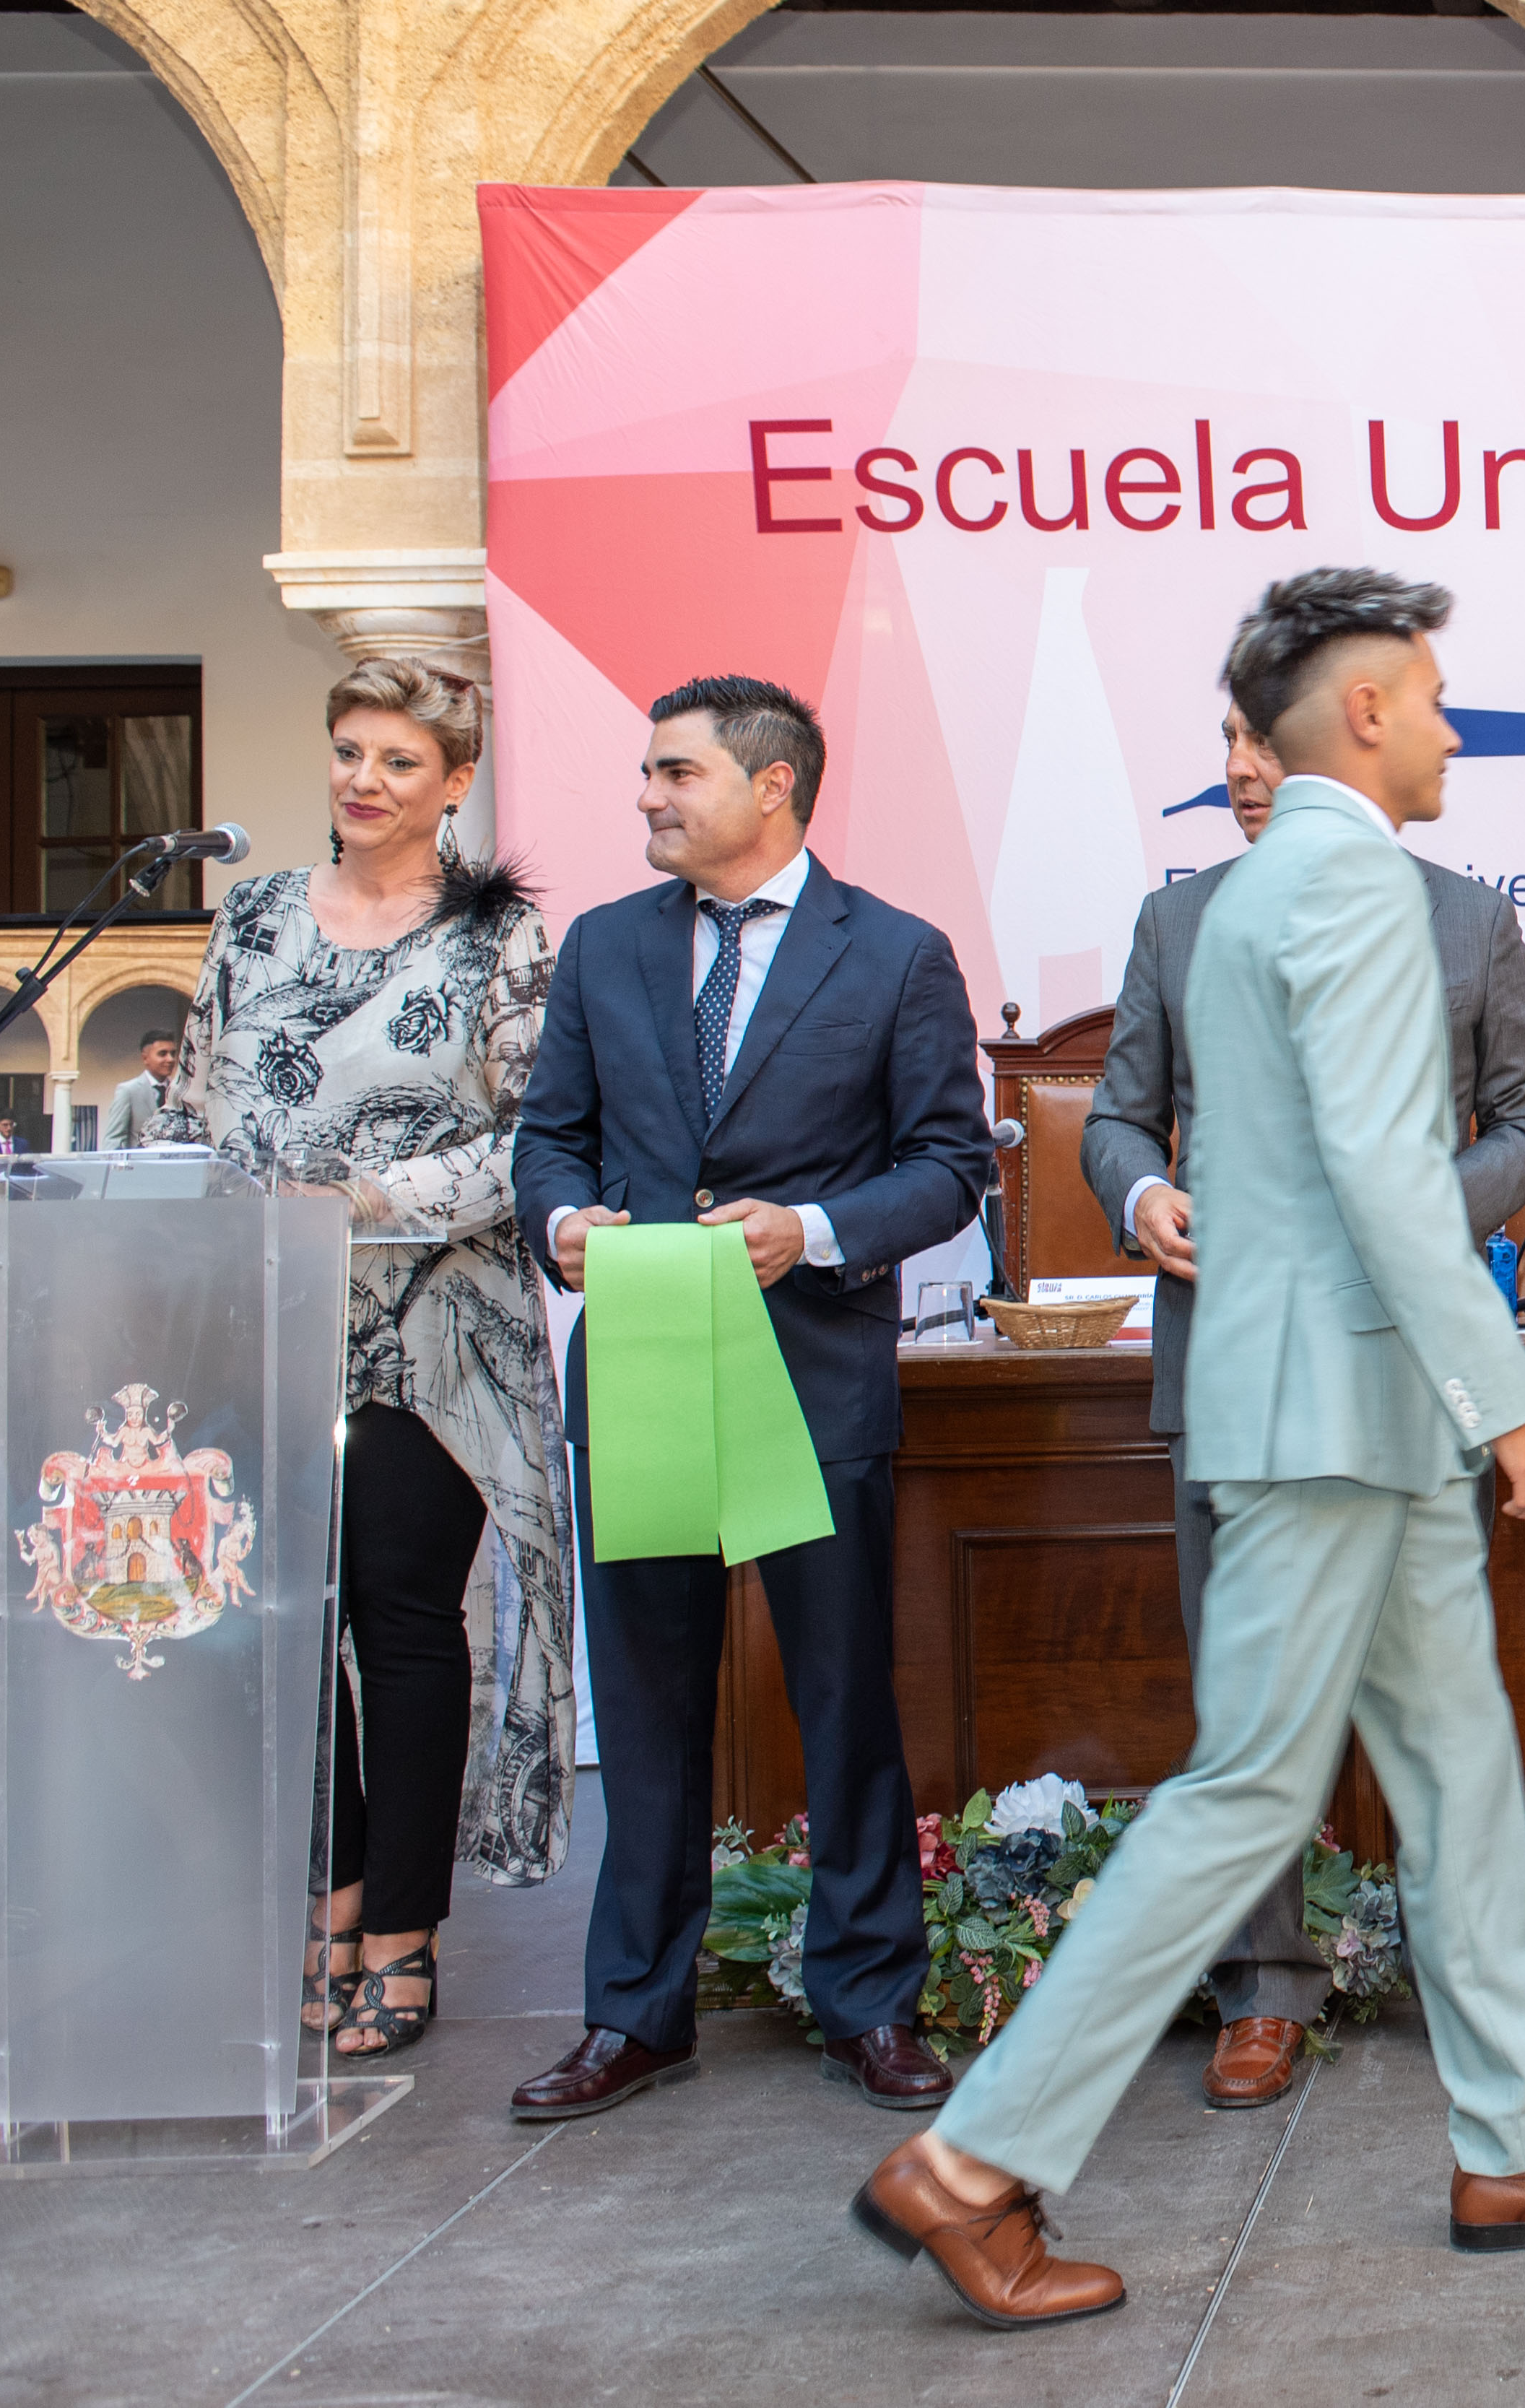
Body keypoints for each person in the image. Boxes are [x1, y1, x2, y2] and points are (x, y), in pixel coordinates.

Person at [857, 571, 1525, 2325]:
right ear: (1367, 711)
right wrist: (1513, 1396)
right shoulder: (1349, 885)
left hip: (1342, 1408)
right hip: (1337, 1412)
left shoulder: (1264, 887)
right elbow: (1388, 1177)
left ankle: (1523, 2140)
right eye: (1435, 694)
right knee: (1247, 1786)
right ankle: (972, 2160)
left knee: (1459, 1774)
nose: (1457, 727)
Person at [509, 674, 990, 2122]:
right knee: (648, 1711)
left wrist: (813, 1230)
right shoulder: (603, 946)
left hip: (814, 1377)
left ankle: (870, 2005)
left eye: (676, 772)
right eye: (649, 772)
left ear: (772, 785)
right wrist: (562, 1224)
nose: (647, 794)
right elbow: (549, 1142)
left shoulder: (894, 952)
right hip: (642, 1368)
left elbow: (949, 1165)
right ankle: (633, 2016)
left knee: (843, 1703)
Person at [1086, 695, 1525, 2108]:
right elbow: (1118, 1116)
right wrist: (1142, 1190)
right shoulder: (1178, 923)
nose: (1240, 768)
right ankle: (1265, 1988)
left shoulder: (1467, 920)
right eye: (1226, 739)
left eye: (1268, 741)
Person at [148, 657, 575, 2059]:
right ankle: (326, 1896)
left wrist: (367, 1198)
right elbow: (198, 1103)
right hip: (260, 1319)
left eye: (399, 760)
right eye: (348, 751)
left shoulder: (498, 935)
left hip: (433, 1328)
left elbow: (534, 1138)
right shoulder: (256, 913)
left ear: (455, 782)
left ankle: (402, 1928)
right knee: (279, 1617)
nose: (365, 780)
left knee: (398, 1616)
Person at [98, 1030, 178, 1149]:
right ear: (145, 1058)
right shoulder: (128, 1091)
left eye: (173, 1054)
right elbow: (114, 1139)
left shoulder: (179, 1092)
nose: (170, 1059)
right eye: (163, 1054)